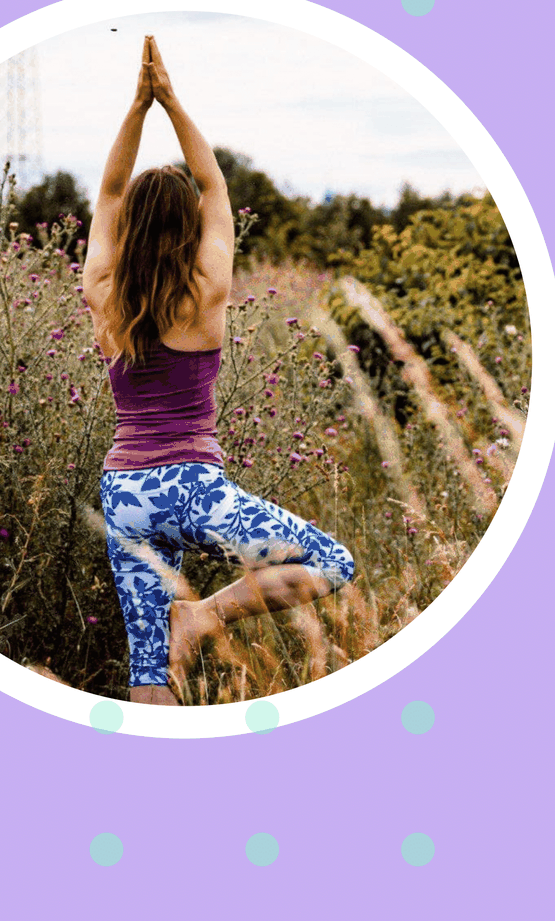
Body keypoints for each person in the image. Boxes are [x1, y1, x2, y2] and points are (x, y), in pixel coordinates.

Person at [83, 35, 355, 706]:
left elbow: (111, 190)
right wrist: (168, 100)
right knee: (332, 563)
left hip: (125, 495)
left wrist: (135, 108)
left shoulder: (104, 291)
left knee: (147, 670)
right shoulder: (203, 293)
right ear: (186, 228)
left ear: (128, 232)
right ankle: (205, 614)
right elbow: (215, 185)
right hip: (191, 488)